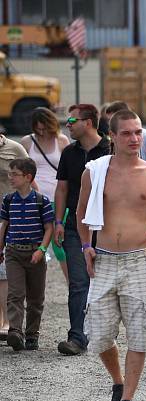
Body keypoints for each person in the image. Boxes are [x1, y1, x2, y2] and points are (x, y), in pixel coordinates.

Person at [76, 109, 146, 401]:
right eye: (127, 133)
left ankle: (128, 400)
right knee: (100, 335)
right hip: (104, 258)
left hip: (139, 260)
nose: (134, 138)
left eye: (137, 132)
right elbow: (80, 213)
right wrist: (85, 247)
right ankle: (118, 381)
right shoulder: (94, 172)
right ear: (113, 136)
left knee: (140, 333)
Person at [54, 103, 111, 356]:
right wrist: (58, 221)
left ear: (88, 122)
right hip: (76, 227)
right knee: (78, 283)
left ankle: (105, 335)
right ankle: (77, 337)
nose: (68, 124)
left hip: (108, 227)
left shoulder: (111, 150)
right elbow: (62, 189)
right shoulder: (68, 153)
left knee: (107, 284)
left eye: (71, 120)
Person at [0, 158, 53, 351]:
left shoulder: (42, 201)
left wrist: (42, 249)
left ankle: (32, 333)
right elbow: (4, 226)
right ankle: (15, 331)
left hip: (35, 253)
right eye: (10, 174)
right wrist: (0, 249)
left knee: (35, 297)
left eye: (15, 174)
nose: (10, 178)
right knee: (15, 293)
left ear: (28, 177)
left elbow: (49, 228)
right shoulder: (8, 200)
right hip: (13, 251)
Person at [21, 108, 69, 283]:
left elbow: (69, 170)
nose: (41, 132)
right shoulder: (27, 142)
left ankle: (72, 286)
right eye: (38, 129)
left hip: (58, 198)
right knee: (33, 243)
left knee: (60, 245)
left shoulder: (62, 141)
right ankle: (31, 285)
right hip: (35, 198)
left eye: (45, 128)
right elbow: (22, 169)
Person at [0, 129, 30, 340]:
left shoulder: (14, 148)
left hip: (7, 215)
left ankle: (8, 322)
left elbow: (29, 175)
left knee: (4, 271)